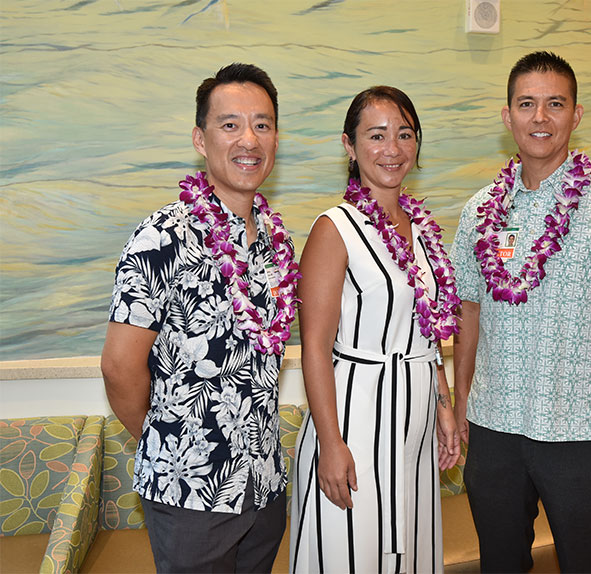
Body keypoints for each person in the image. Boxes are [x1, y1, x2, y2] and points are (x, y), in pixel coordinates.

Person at [451, 51, 591, 573]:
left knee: (587, 563)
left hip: (581, 432)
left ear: (576, 115)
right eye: (527, 104)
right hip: (495, 428)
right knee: (501, 564)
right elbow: (468, 313)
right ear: (507, 116)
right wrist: (460, 403)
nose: (540, 117)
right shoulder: (480, 210)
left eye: (555, 104)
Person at [101, 62, 300, 573]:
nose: (248, 140)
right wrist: (172, 444)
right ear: (200, 138)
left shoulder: (281, 245)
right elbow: (120, 368)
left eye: (262, 124)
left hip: (264, 487)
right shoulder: (162, 236)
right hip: (191, 495)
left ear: (276, 138)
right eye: (229, 124)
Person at [290, 86, 461, 574]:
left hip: (416, 421)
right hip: (354, 420)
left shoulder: (422, 228)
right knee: (350, 555)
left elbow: (426, 332)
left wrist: (444, 407)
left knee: (410, 551)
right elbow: (315, 348)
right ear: (349, 145)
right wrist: (330, 442)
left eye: (405, 135)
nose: (393, 149)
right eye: (377, 135)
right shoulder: (334, 228)